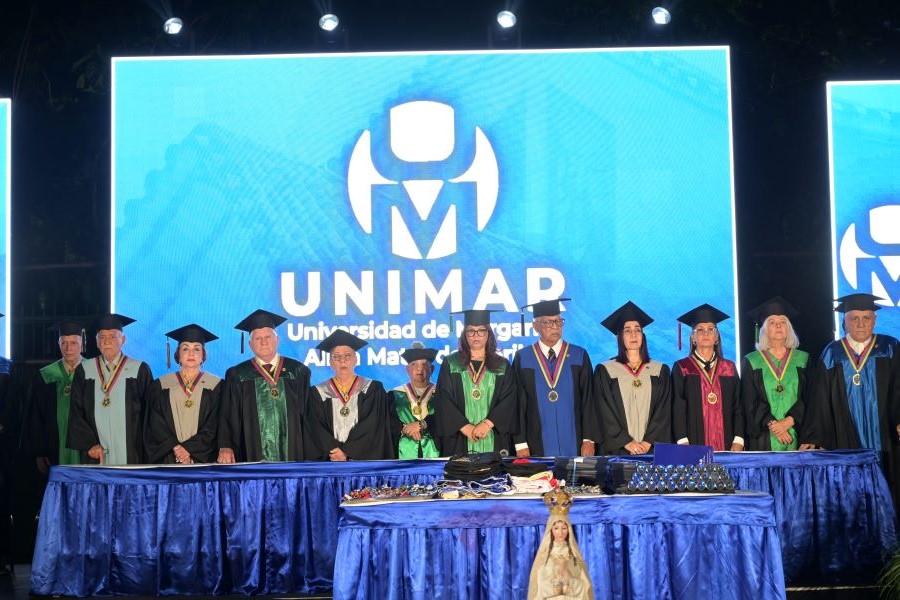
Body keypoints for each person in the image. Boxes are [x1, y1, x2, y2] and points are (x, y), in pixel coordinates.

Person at [801, 294, 900, 500]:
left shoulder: (890, 347)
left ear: (874, 320)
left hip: (884, 434)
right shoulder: (832, 353)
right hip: (845, 434)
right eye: (854, 318)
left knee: (889, 489)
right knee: (851, 494)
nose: (861, 323)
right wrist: (814, 436)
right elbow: (820, 399)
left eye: (866, 318)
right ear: (844, 321)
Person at [217, 309, 312, 463]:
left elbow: (308, 416)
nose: (264, 342)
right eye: (257, 338)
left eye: (268, 337)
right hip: (251, 452)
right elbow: (229, 413)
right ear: (250, 344)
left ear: (277, 340)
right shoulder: (238, 374)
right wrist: (226, 445)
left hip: (294, 453)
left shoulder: (298, 371)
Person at [513, 298, 598, 457]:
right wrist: (520, 443)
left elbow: (589, 400)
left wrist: (589, 440)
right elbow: (518, 403)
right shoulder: (523, 358)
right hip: (535, 442)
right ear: (535, 326)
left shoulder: (579, 355)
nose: (555, 326)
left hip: (575, 441)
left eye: (558, 321)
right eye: (548, 322)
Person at [67, 313, 154, 465]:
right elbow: (76, 411)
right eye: (102, 337)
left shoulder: (139, 369)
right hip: (96, 453)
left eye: (113, 336)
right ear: (96, 342)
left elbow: (150, 414)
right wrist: (89, 444)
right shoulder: (85, 370)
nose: (107, 341)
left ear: (123, 340)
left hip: (133, 452)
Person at [433, 309, 517, 456]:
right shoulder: (451, 363)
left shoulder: (502, 365)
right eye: (471, 331)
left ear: (488, 334)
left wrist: (488, 424)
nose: (476, 335)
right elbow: (443, 398)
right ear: (464, 335)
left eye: (481, 331)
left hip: (492, 434)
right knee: (460, 468)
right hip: (459, 436)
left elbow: (509, 399)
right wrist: (464, 426)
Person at [595, 301, 672, 455]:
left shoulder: (659, 370)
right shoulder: (605, 371)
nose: (633, 334)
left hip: (652, 450)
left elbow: (664, 410)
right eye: (627, 330)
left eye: (637, 330)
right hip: (619, 451)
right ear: (620, 337)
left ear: (643, 336)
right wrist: (626, 442)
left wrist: (648, 441)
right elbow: (603, 412)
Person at [309, 329, 394, 461]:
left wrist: (347, 451)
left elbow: (372, 426)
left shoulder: (372, 389)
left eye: (348, 356)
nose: (342, 361)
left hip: (363, 463)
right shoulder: (318, 392)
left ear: (355, 360)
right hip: (331, 461)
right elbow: (316, 428)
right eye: (336, 357)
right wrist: (335, 452)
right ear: (330, 362)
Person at [741, 297, 813, 451]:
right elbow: (749, 401)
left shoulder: (803, 359)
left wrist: (789, 421)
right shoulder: (752, 361)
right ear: (764, 330)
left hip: (798, 433)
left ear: (789, 328)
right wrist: (773, 424)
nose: (778, 326)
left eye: (783, 322)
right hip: (764, 436)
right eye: (772, 322)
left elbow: (810, 397)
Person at [145, 325, 222, 464]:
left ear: (203, 356)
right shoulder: (161, 385)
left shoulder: (216, 386)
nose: (191, 353)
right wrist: (176, 448)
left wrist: (188, 449)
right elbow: (155, 424)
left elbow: (215, 424)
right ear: (178, 355)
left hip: (204, 461)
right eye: (185, 349)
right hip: (170, 458)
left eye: (196, 349)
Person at [672, 304, 744, 451]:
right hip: (692, 445)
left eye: (711, 329)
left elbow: (738, 406)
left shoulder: (729, 368)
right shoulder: (682, 368)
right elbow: (678, 407)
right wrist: (682, 441)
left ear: (716, 337)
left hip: (728, 443)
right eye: (700, 330)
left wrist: (738, 439)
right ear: (693, 338)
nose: (706, 333)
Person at [24, 322, 85, 473]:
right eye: (63, 343)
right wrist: (39, 451)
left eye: (73, 343)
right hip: (53, 445)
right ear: (58, 344)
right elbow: (36, 417)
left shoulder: (94, 372)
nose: (68, 348)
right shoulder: (45, 375)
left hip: (87, 446)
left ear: (82, 344)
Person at [528, 488, 594, 599]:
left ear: (569, 530)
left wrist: (569, 579)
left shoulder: (573, 554)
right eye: (556, 528)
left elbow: (584, 585)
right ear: (551, 530)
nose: (560, 533)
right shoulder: (545, 555)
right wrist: (556, 582)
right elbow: (540, 586)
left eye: (564, 528)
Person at [390, 342, 441, 459]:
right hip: (402, 450)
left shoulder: (442, 393)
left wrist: (423, 424)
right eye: (414, 364)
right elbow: (389, 421)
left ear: (432, 369)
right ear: (407, 370)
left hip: (436, 449)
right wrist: (406, 428)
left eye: (424, 364)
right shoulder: (394, 394)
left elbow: (446, 417)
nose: (419, 369)